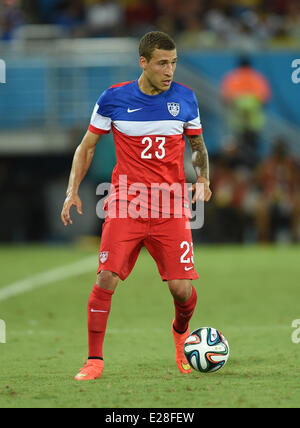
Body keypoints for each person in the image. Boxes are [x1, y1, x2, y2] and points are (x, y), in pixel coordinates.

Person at [61, 31, 212, 381]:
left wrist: (203, 179)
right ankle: (94, 361)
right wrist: (72, 191)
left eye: (174, 62)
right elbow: (86, 147)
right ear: (143, 63)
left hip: (170, 205)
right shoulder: (113, 99)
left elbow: (199, 147)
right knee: (106, 276)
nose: (169, 70)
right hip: (125, 202)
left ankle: (180, 335)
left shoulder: (186, 99)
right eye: (162, 63)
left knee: (181, 288)